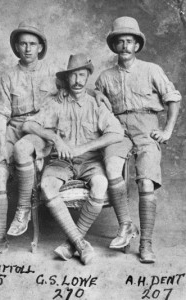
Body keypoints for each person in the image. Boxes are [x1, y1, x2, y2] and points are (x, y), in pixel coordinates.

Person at [21, 53, 125, 264]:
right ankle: (80, 243)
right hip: (61, 162)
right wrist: (55, 140)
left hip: (91, 162)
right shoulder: (57, 102)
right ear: (66, 78)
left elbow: (116, 133)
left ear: (87, 77)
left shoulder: (96, 104)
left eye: (82, 75)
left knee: (101, 183)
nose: (77, 81)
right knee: (47, 185)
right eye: (73, 76)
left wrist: (84, 148)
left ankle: (71, 243)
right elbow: (28, 125)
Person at [95, 16, 181, 263]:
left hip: (146, 128)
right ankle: (126, 225)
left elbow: (173, 98)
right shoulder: (105, 77)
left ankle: (145, 243)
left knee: (145, 183)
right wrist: (98, 99)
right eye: (119, 41)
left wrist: (166, 131)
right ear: (114, 45)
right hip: (117, 129)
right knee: (112, 168)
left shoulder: (151, 69)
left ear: (136, 45)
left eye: (129, 41)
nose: (124, 46)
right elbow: (96, 106)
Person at [0, 20, 59, 259]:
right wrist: (2, 146)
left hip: (42, 133)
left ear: (40, 47)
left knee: (25, 147)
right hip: (14, 130)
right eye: (22, 43)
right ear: (16, 46)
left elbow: (76, 94)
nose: (27, 48)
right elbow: (2, 113)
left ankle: (23, 209)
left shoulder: (54, 74)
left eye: (32, 44)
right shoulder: (7, 77)